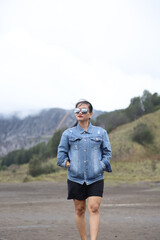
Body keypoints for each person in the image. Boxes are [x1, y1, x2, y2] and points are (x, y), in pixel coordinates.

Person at [57, 100, 112, 240]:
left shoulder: (101, 132)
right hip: (75, 177)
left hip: (96, 177)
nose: (79, 113)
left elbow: (107, 153)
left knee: (94, 208)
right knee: (79, 210)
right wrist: (68, 165)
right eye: (77, 111)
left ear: (90, 114)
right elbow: (61, 155)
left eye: (83, 111)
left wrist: (102, 165)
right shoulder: (67, 134)